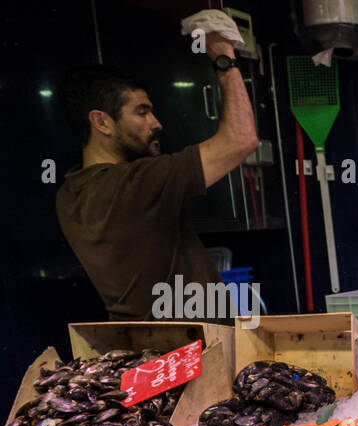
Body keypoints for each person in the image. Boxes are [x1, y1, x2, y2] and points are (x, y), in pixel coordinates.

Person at [55, 32, 258, 322]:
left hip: (141, 350)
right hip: (189, 354)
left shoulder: (70, 193)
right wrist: (223, 57)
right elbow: (241, 140)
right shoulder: (134, 183)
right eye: (142, 112)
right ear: (101, 122)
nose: (156, 123)